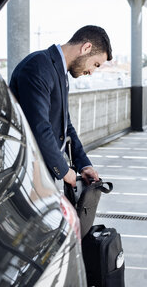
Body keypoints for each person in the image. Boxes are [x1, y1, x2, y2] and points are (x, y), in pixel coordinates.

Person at [9, 25, 112, 187]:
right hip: (26, 174)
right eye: (96, 64)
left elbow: (65, 124)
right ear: (86, 48)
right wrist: (63, 170)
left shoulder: (59, 71)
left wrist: (83, 164)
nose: (92, 72)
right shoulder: (38, 66)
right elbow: (38, 127)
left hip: (41, 172)